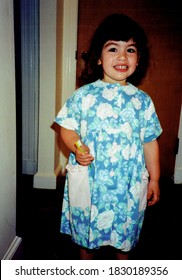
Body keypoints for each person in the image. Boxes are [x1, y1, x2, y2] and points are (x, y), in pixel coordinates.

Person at [54, 13, 162, 260]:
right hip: (91, 182)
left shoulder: (143, 101)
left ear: (138, 59)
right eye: (113, 48)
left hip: (127, 184)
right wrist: (77, 147)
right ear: (99, 58)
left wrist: (155, 179)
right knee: (86, 234)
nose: (122, 56)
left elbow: (149, 141)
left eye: (131, 50)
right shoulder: (83, 96)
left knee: (125, 236)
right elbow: (67, 128)